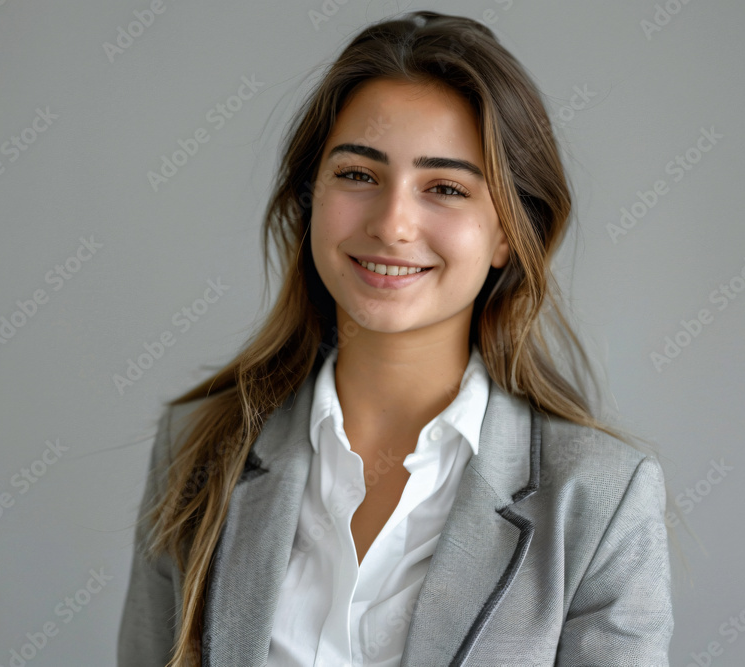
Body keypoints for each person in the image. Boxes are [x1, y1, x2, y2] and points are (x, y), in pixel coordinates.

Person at [118, 10, 674, 666]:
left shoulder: (601, 497)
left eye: (444, 187)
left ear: (506, 233)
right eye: (358, 174)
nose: (393, 223)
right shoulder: (199, 446)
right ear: (310, 197)